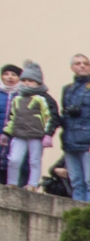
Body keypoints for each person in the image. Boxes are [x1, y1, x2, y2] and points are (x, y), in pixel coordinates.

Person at [59, 54, 90, 201]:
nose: (82, 66)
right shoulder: (67, 89)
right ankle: (78, 217)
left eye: (85, 63)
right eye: (78, 63)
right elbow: (65, 115)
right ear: (72, 68)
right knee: (76, 183)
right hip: (70, 142)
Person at [4, 62, 60, 192]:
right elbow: (12, 117)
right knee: (13, 159)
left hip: (36, 135)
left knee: (34, 161)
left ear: (38, 82)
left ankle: (33, 184)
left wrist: (48, 134)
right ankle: (12, 182)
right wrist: (6, 133)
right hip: (19, 133)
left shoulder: (45, 98)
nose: (27, 83)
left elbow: (52, 117)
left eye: (30, 81)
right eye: (24, 80)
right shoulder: (18, 98)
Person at [0, 64, 20, 187]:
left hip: (14, 137)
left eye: (13, 74)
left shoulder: (22, 95)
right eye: (6, 74)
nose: (9, 77)